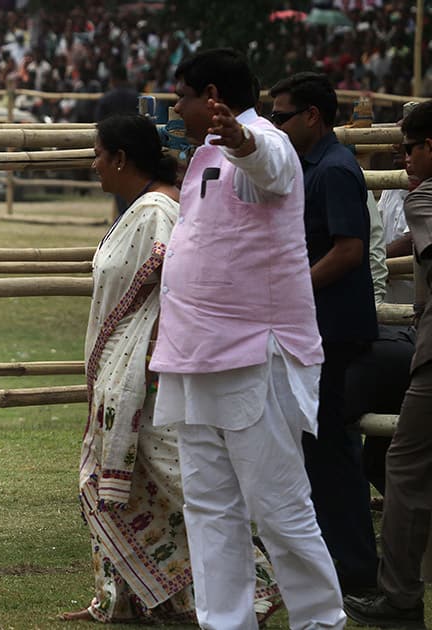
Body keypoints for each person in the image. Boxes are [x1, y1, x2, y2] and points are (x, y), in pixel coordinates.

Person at [148, 48, 346, 629]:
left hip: (254, 356)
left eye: (182, 96)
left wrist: (240, 137)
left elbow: (273, 168)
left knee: (279, 506)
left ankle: (320, 622)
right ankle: (226, 623)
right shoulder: (204, 154)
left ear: (212, 96)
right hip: (196, 358)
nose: (175, 107)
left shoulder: (264, 140)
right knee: (209, 508)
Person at [59, 113, 282, 623]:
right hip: (128, 372)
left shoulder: (158, 208)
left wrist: (153, 357)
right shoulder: (139, 207)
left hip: (150, 374)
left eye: (97, 154)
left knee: (177, 481)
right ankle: (136, 597)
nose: (92, 164)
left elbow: (173, 285)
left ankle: (258, 586)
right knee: (131, 482)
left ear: (119, 158)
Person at [268, 71, 379, 596]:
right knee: (317, 448)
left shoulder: (332, 170)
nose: (274, 125)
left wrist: (292, 289)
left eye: (281, 116)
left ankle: (353, 567)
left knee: (331, 451)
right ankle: (335, 560)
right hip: (318, 327)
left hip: (331, 330)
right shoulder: (309, 166)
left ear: (313, 115)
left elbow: (348, 251)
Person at [344, 100, 432, 629]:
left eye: (410, 149)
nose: (405, 160)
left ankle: (399, 597)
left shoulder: (424, 199)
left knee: (404, 465)